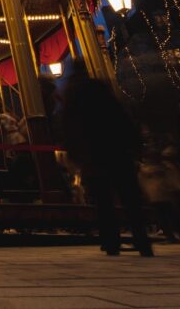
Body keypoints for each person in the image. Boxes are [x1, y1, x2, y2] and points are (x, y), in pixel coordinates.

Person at [60, 67, 152, 257]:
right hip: (117, 152)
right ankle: (142, 239)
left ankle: (110, 241)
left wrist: (74, 151)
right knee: (130, 198)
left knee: (103, 201)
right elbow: (124, 121)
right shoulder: (107, 99)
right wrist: (134, 145)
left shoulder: (73, 101)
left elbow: (68, 128)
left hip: (94, 155)